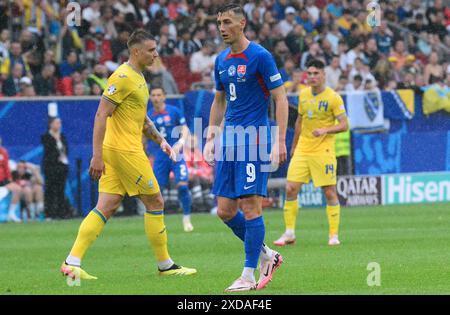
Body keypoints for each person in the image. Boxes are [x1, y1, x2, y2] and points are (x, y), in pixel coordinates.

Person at [60, 29, 196, 282]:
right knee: (155, 201)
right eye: (151, 50)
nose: (156, 54)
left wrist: (163, 141)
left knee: (107, 205)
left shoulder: (139, 78)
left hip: (120, 150)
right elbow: (101, 114)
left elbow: (142, 119)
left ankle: (72, 262)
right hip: (124, 151)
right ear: (136, 51)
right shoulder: (122, 77)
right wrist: (96, 156)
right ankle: (165, 265)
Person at [203, 4, 288, 292]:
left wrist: (279, 140)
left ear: (242, 23)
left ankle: (248, 275)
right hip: (228, 141)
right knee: (225, 211)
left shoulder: (261, 56)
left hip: (254, 140)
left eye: (227, 22)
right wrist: (211, 136)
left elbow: (281, 98)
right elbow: (218, 100)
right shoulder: (221, 60)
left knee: (251, 207)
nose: (222, 27)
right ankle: (267, 254)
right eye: (219, 23)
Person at [273, 59, 348, 247]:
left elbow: (345, 125)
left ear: (324, 75)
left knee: (329, 192)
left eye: (316, 73)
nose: (312, 77)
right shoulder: (303, 94)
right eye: (310, 73)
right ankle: (289, 233)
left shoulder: (333, 97)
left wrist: (325, 130)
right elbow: (299, 121)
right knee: (290, 188)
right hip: (303, 149)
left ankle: (333, 235)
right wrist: (294, 145)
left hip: (324, 149)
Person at [148, 87, 193, 232]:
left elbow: (185, 129)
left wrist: (180, 143)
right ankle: (159, 223)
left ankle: (186, 218)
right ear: (150, 97)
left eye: (159, 95)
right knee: (157, 192)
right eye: (153, 95)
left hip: (176, 154)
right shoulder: (148, 115)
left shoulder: (173, 111)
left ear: (164, 97)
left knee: (183, 186)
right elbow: (143, 136)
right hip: (160, 157)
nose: (156, 98)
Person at [41, 117, 71, 220]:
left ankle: (61, 212)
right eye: (57, 123)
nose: (59, 125)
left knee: (61, 190)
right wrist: (56, 157)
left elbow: (66, 149)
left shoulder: (62, 136)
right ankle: (49, 213)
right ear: (51, 124)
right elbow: (49, 151)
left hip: (62, 167)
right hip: (51, 167)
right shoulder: (46, 136)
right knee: (50, 190)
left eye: (60, 123)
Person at [0, 136, 23, 222]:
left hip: (3, 181)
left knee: (17, 189)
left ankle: (11, 213)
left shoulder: (3, 152)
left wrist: (9, 178)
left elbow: (6, 167)